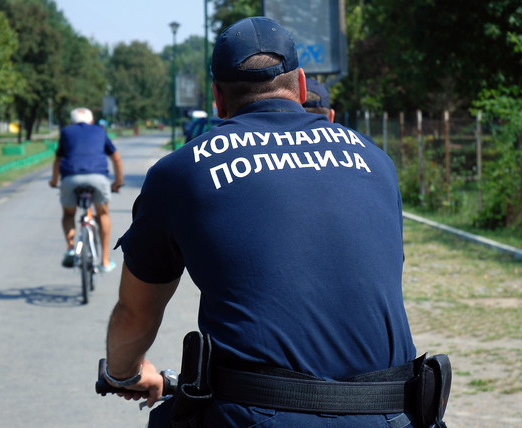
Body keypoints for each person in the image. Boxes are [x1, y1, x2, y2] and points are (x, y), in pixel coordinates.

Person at [103, 17, 447, 427]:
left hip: (257, 415)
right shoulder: (375, 161)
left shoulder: (182, 172)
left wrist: (123, 372)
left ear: (217, 98)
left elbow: (136, 312)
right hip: (392, 414)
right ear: (301, 86)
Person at [49, 107, 123, 272]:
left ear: (72, 121)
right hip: (98, 178)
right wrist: (118, 182)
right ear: (91, 121)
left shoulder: (67, 132)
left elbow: (57, 161)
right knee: (103, 213)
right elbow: (116, 159)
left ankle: (70, 247)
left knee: (69, 214)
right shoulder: (99, 131)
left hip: (71, 178)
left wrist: (54, 181)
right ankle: (104, 260)